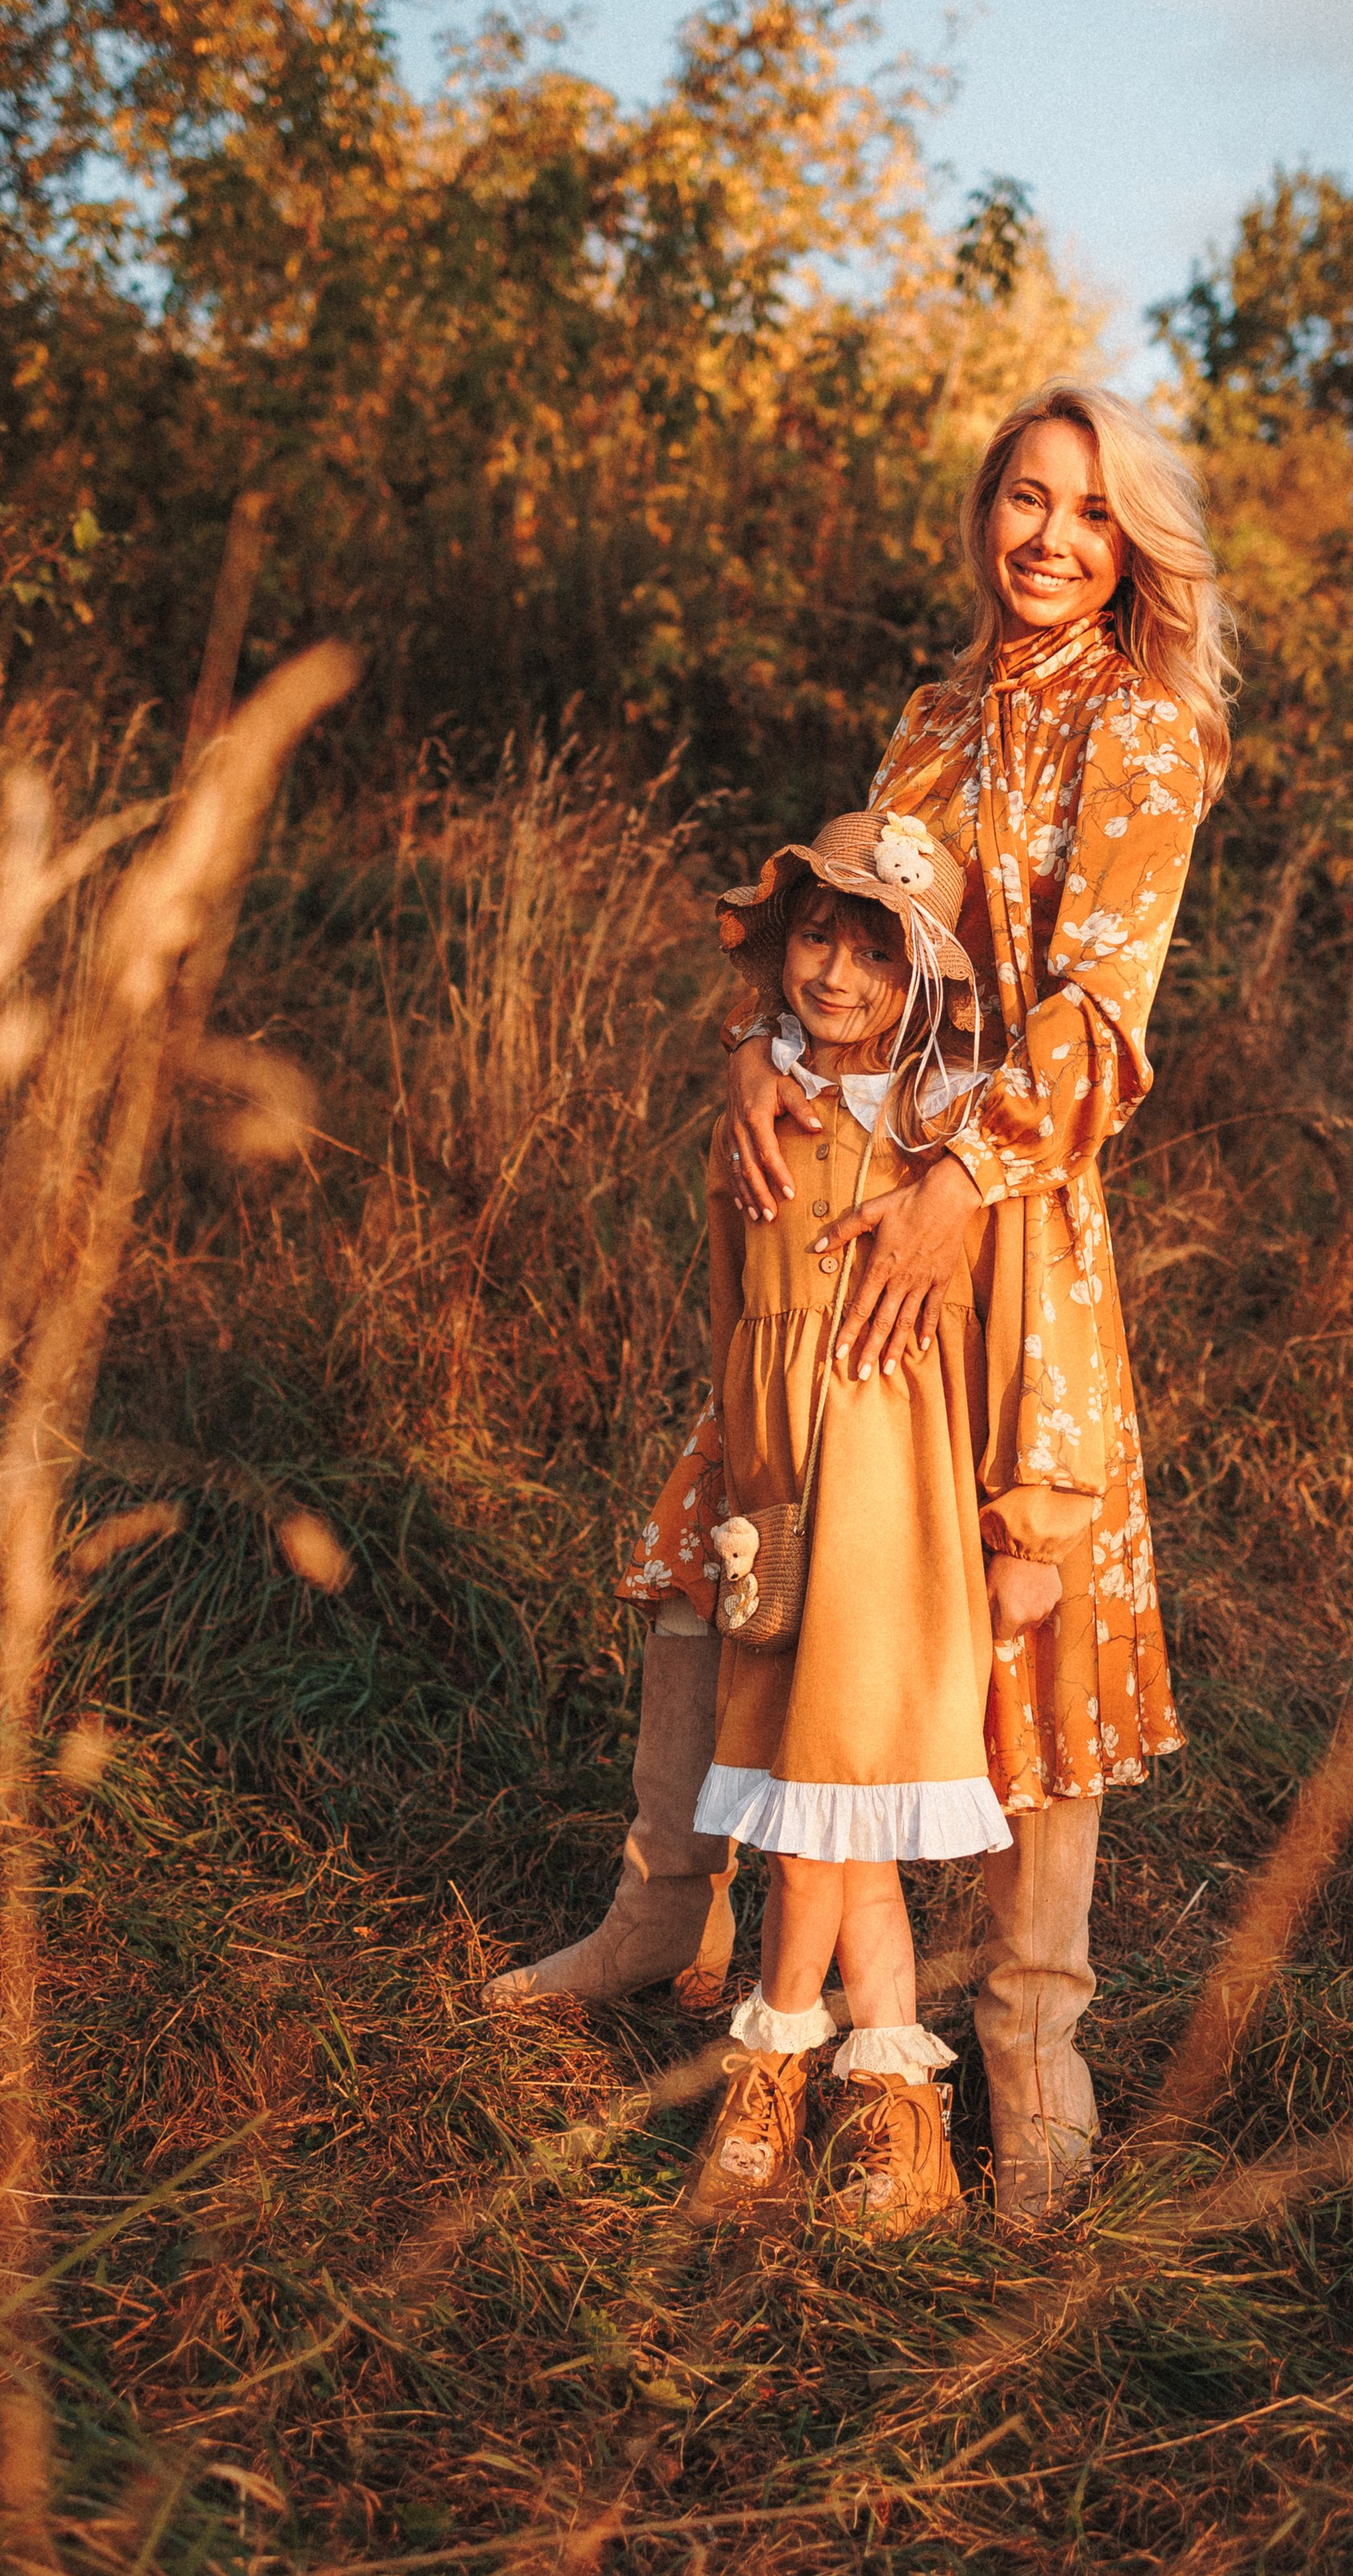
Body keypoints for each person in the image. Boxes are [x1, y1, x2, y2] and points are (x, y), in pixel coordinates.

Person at [489, 379, 1231, 2225]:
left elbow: (1097, 1011)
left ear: (1133, 543)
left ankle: (1026, 2052)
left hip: (1004, 1219)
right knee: (737, 1524)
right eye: (1020, 500)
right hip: (838, 1185)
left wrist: (958, 1182)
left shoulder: (1140, 730)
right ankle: (671, 1914)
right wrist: (758, 1047)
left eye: (1085, 512)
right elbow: (865, 931)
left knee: (1008, 1584)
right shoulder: (931, 710)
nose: (1045, 539)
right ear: (983, 514)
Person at [667, 810, 1064, 2232]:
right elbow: (730, 1314)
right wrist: (733, 1486)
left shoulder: (955, 1122)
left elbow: (1024, 1324)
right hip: (781, 1478)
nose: (836, 973)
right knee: (817, 1799)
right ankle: (897, 2122)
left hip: (899, 1481)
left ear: (922, 981)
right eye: (817, 937)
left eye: (873, 953)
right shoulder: (755, 1103)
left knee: (823, 1790)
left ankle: (769, 2066)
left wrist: (1031, 1522)